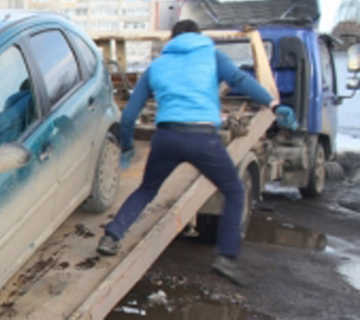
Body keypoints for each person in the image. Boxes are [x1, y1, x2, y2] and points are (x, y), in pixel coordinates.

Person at [96, 20, 298, 286]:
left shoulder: (157, 65)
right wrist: (272, 104)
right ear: (198, 36)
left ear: (172, 39)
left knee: (147, 189)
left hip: (166, 137)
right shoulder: (212, 55)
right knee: (234, 191)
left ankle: (111, 236)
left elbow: (129, 114)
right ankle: (225, 257)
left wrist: (127, 145)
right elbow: (240, 80)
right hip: (204, 140)